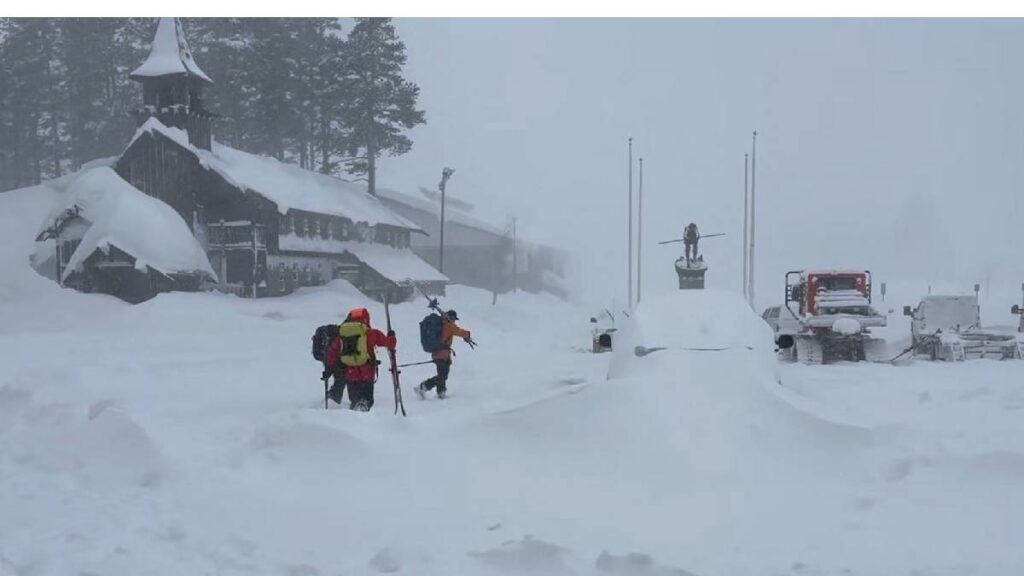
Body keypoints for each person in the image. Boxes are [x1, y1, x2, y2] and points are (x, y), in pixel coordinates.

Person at [324, 307, 397, 411]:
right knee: (366, 398)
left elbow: (332, 352)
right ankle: (363, 410)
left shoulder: (342, 334)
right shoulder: (369, 333)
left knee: (354, 399)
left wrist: (329, 367)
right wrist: (391, 336)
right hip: (367, 373)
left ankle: (354, 414)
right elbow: (390, 343)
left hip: (350, 373)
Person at [415, 309, 471, 399]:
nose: (454, 321)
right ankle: (424, 387)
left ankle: (440, 392)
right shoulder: (449, 325)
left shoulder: (442, 324)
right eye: (454, 319)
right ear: (451, 318)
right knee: (442, 375)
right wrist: (468, 334)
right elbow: (460, 332)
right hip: (443, 354)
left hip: (437, 353)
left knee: (442, 375)